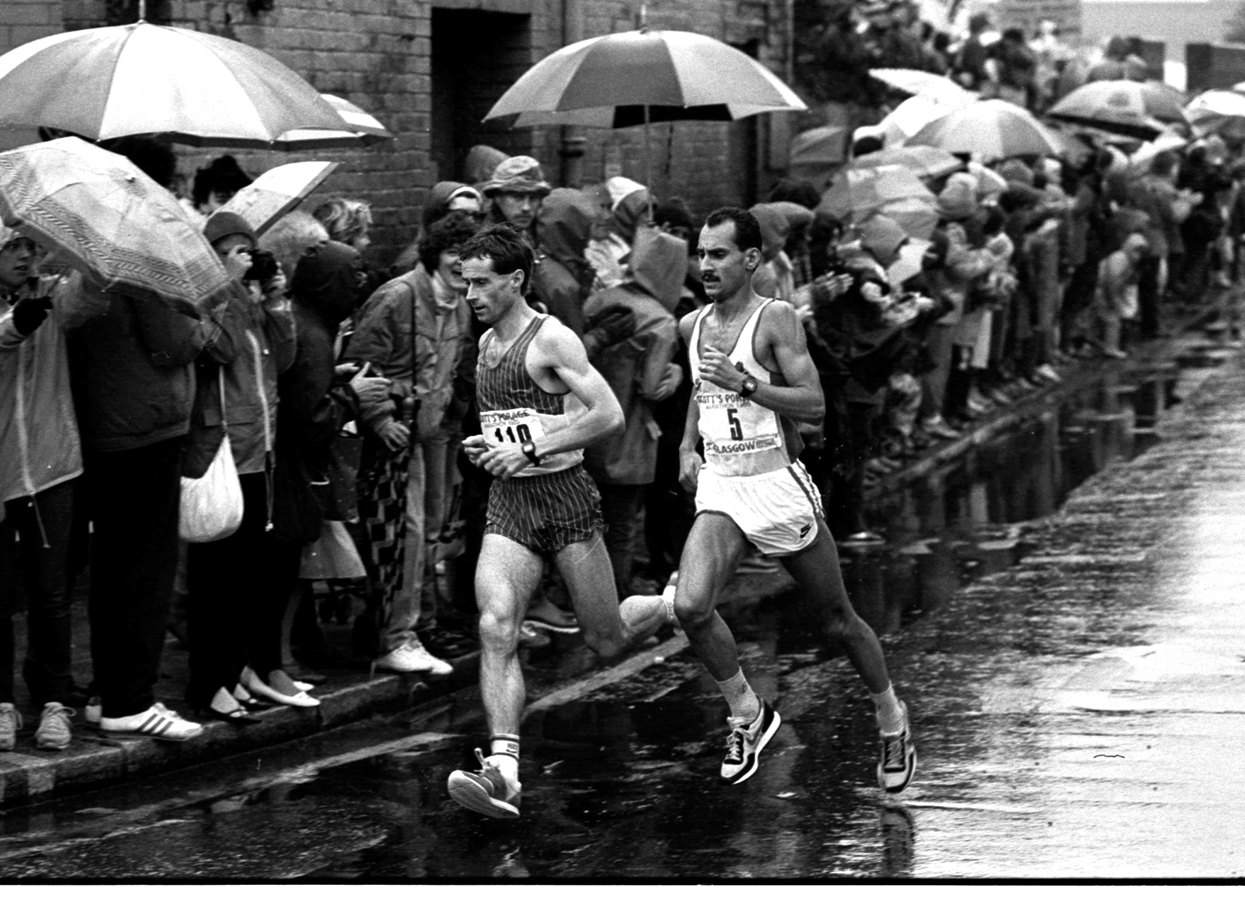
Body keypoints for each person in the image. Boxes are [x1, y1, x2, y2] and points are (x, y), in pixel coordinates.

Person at [672, 207, 916, 791]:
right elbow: (700, 392)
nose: (706, 265)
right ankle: (747, 713)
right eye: (701, 254)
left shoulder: (775, 318)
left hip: (778, 484)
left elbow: (814, 406)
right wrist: (686, 446)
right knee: (690, 607)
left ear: (752, 259)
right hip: (724, 483)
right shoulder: (691, 325)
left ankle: (891, 716)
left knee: (837, 620)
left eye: (719, 254)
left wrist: (747, 384)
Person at [445, 225, 672, 819]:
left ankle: (671, 604)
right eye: (465, 283)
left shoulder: (554, 340)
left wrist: (533, 450)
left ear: (516, 281)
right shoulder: (487, 344)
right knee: (496, 626)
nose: (470, 294)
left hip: (565, 498)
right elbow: (516, 426)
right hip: (511, 504)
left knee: (605, 639)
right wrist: (489, 446)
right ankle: (503, 770)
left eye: (482, 283)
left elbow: (609, 414)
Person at [348, 211, 482, 673]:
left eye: (471, 257)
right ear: (432, 255)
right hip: (389, 439)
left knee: (423, 532)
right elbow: (358, 366)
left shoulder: (463, 303)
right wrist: (382, 419)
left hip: (426, 435)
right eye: (454, 254)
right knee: (402, 535)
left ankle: (405, 630)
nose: (462, 265)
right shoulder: (398, 297)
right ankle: (395, 639)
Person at [183, 212, 296, 722]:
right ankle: (209, 683)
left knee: (246, 575)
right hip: (225, 454)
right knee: (217, 579)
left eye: (249, 248)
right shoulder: (207, 303)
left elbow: (285, 359)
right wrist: (231, 289)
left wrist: (273, 300)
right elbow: (219, 350)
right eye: (235, 250)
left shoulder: (247, 306)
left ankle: (233, 672)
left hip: (260, 455)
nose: (247, 257)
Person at [0, 230, 80, 751]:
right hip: (2, 473)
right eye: (13, 248)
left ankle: (55, 700)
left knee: (52, 594)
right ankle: (2, 704)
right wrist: (21, 319)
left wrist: (80, 255)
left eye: (32, 246)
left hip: (53, 467)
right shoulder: (24, 311)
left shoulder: (52, 292)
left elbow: (86, 299)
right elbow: (5, 334)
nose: (26, 257)